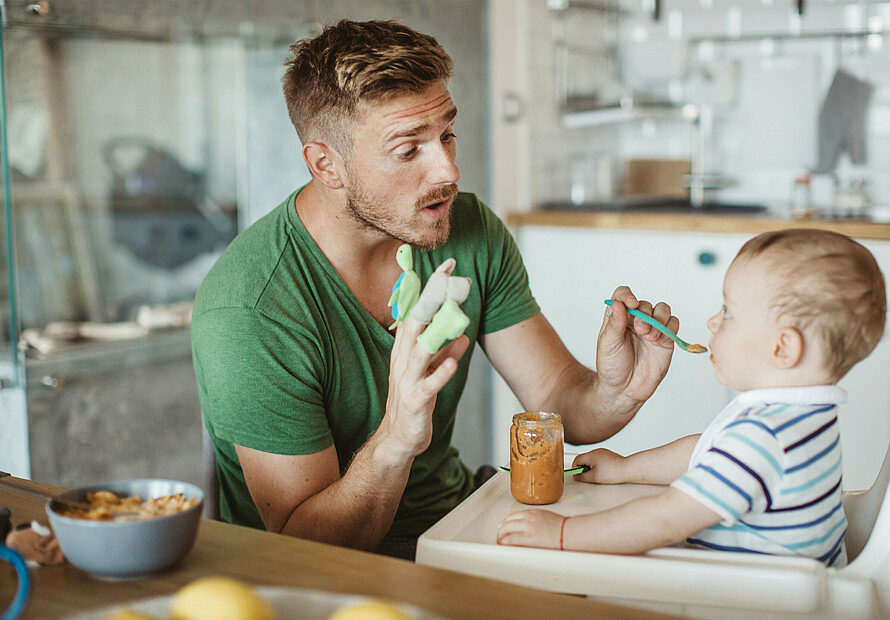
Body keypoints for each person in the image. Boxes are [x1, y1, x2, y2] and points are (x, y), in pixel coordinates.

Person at [191, 19, 677, 561]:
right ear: (326, 165)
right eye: (408, 150)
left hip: (457, 518)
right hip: (328, 570)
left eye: (446, 133)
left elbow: (560, 401)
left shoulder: (467, 228)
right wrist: (398, 435)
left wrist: (618, 391)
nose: (449, 169)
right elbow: (306, 546)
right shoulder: (253, 307)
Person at [497, 228, 887, 568]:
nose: (713, 323)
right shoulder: (802, 417)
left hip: (760, 603)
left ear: (783, 348)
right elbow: (706, 449)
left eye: (728, 313)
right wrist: (625, 469)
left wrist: (563, 533)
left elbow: (665, 520)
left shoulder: (763, 437)